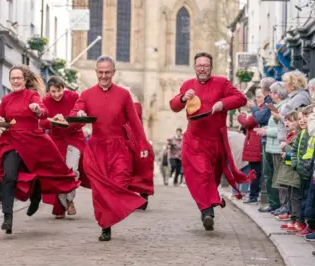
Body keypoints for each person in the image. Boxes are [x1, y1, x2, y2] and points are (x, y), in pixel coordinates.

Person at [56, 55, 152, 241]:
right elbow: (75, 116)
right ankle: (105, 226)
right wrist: (79, 114)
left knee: (120, 182)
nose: (104, 76)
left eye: (107, 72)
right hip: (97, 147)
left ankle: (123, 207)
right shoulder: (87, 94)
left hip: (119, 147)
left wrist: (142, 145)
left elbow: (134, 122)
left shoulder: (124, 95)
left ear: (113, 73)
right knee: (100, 190)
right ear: (96, 73)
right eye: (100, 72)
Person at [169, 52, 251, 231]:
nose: (202, 69)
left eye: (206, 65)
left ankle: (206, 207)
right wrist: (183, 98)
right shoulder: (188, 85)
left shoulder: (222, 83)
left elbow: (241, 98)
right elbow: (174, 106)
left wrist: (222, 103)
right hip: (194, 139)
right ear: (194, 67)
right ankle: (208, 212)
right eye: (199, 65)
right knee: (201, 172)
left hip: (215, 141)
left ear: (211, 67)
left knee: (211, 177)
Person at [0, 65, 79, 234]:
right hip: (12, 141)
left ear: (24, 80)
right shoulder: (6, 99)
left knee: (39, 172)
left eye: (19, 78)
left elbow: (44, 111)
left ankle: (36, 195)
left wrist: (38, 109)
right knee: (9, 176)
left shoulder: (31, 95)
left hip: (32, 141)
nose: (16, 81)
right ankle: (8, 217)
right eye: (13, 79)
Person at [41, 76, 85, 219]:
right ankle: (63, 204)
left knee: (73, 170)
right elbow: (42, 122)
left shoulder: (73, 96)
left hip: (74, 138)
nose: (56, 95)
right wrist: (53, 121)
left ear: (63, 88)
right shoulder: (46, 100)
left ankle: (69, 200)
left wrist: (67, 120)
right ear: (49, 91)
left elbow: (80, 120)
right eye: (53, 92)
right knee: (59, 173)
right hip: (57, 140)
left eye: (59, 91)